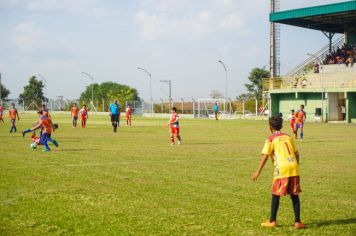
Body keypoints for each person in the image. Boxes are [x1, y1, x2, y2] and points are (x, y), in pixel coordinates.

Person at [252, 115, 304, 229]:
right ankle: (297, 222)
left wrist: (257, 172)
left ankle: (272, 221)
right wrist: (295, 166)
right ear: (281, 126)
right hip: (294, 167)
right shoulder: (289, 137)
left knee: (276, 194)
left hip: (282, 169)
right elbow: (297, 154)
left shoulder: (271, 139)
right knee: (294, 195)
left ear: (270, 127)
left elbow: (265, 156)